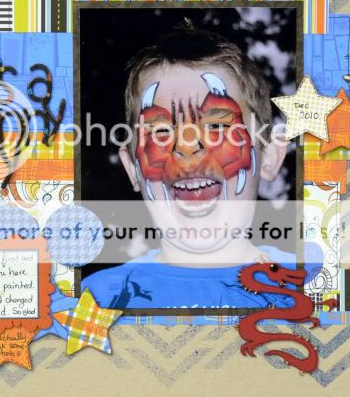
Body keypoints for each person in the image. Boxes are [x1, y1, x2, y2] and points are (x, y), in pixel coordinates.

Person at [83, 25, 295, 309]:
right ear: (133, 168)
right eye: (160, 131)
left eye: (217, 125)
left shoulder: (315, 288)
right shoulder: (96, 301)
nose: (186, 146)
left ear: (269, 156)